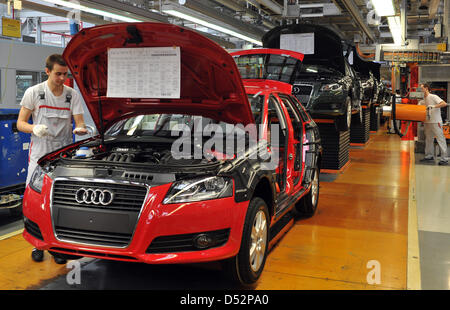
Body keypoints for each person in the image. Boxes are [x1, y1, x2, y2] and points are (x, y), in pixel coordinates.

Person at [17, 54, 88, 264]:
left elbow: (79, 121)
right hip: (40, 153)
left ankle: (59, 247)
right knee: (36, 201)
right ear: (47, 71)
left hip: (63, 154)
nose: (62, 78)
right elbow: (21, 123)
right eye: (58, 74)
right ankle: (36, 244)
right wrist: (34, 128)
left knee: (60, 202)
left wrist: (81, 128)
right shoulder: (34, 93)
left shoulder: (71, 95)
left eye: (65, 74)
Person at [418, 83, 448, 165]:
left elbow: (444, 103)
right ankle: (429, 156)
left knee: (440, 139)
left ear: (426, 88)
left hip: (436, 121)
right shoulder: (423, 100)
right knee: (428, 139)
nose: (421, 90)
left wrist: (434, 106)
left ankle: (444, 158)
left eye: (422, 88)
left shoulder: (433, 96)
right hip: (427, 122)